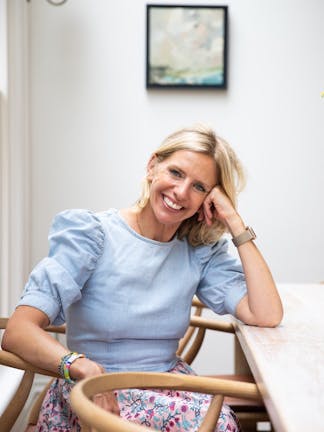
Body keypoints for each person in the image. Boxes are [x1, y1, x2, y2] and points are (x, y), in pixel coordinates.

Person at [2, 124, 283, 431]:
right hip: (91, 390)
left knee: (218, 422)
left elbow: (265, 314)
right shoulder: (91, 235)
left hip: (164, 385)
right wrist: (82, 367)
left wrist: (235, 223)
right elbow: (18, 331)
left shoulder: (198, 251)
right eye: (176, 173)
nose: (181, 192)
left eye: (199, 187)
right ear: (152, 167)